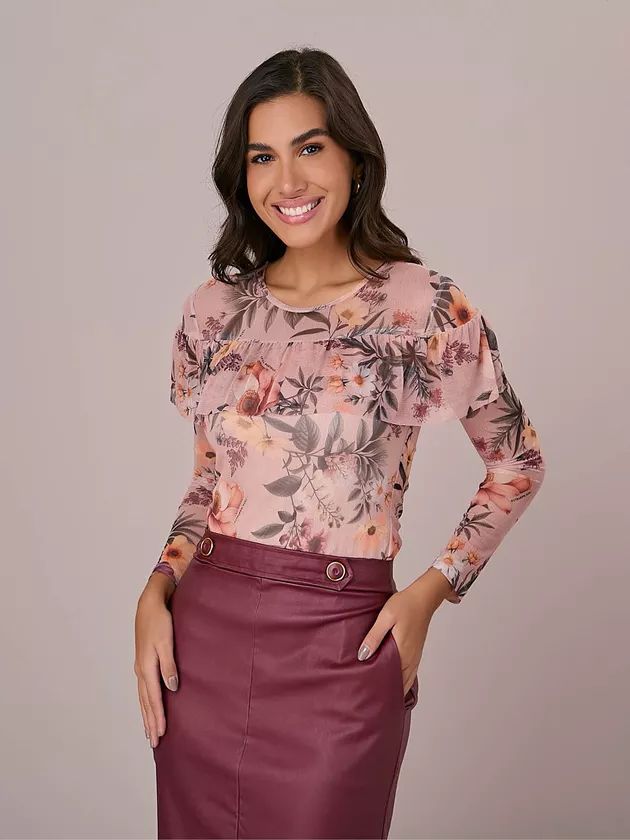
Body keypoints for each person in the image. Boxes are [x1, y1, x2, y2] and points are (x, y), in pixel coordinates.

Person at [134, 47, 546, 840]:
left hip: (341, 646)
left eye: (310, 148)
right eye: (262, 156)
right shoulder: (211, 312)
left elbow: (517, 462)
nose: (287, 181)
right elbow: (208, 483)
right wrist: (155, 592)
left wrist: (428, 595)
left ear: (355, 158)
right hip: (202, 647)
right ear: (241, 176)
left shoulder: (423, 307)